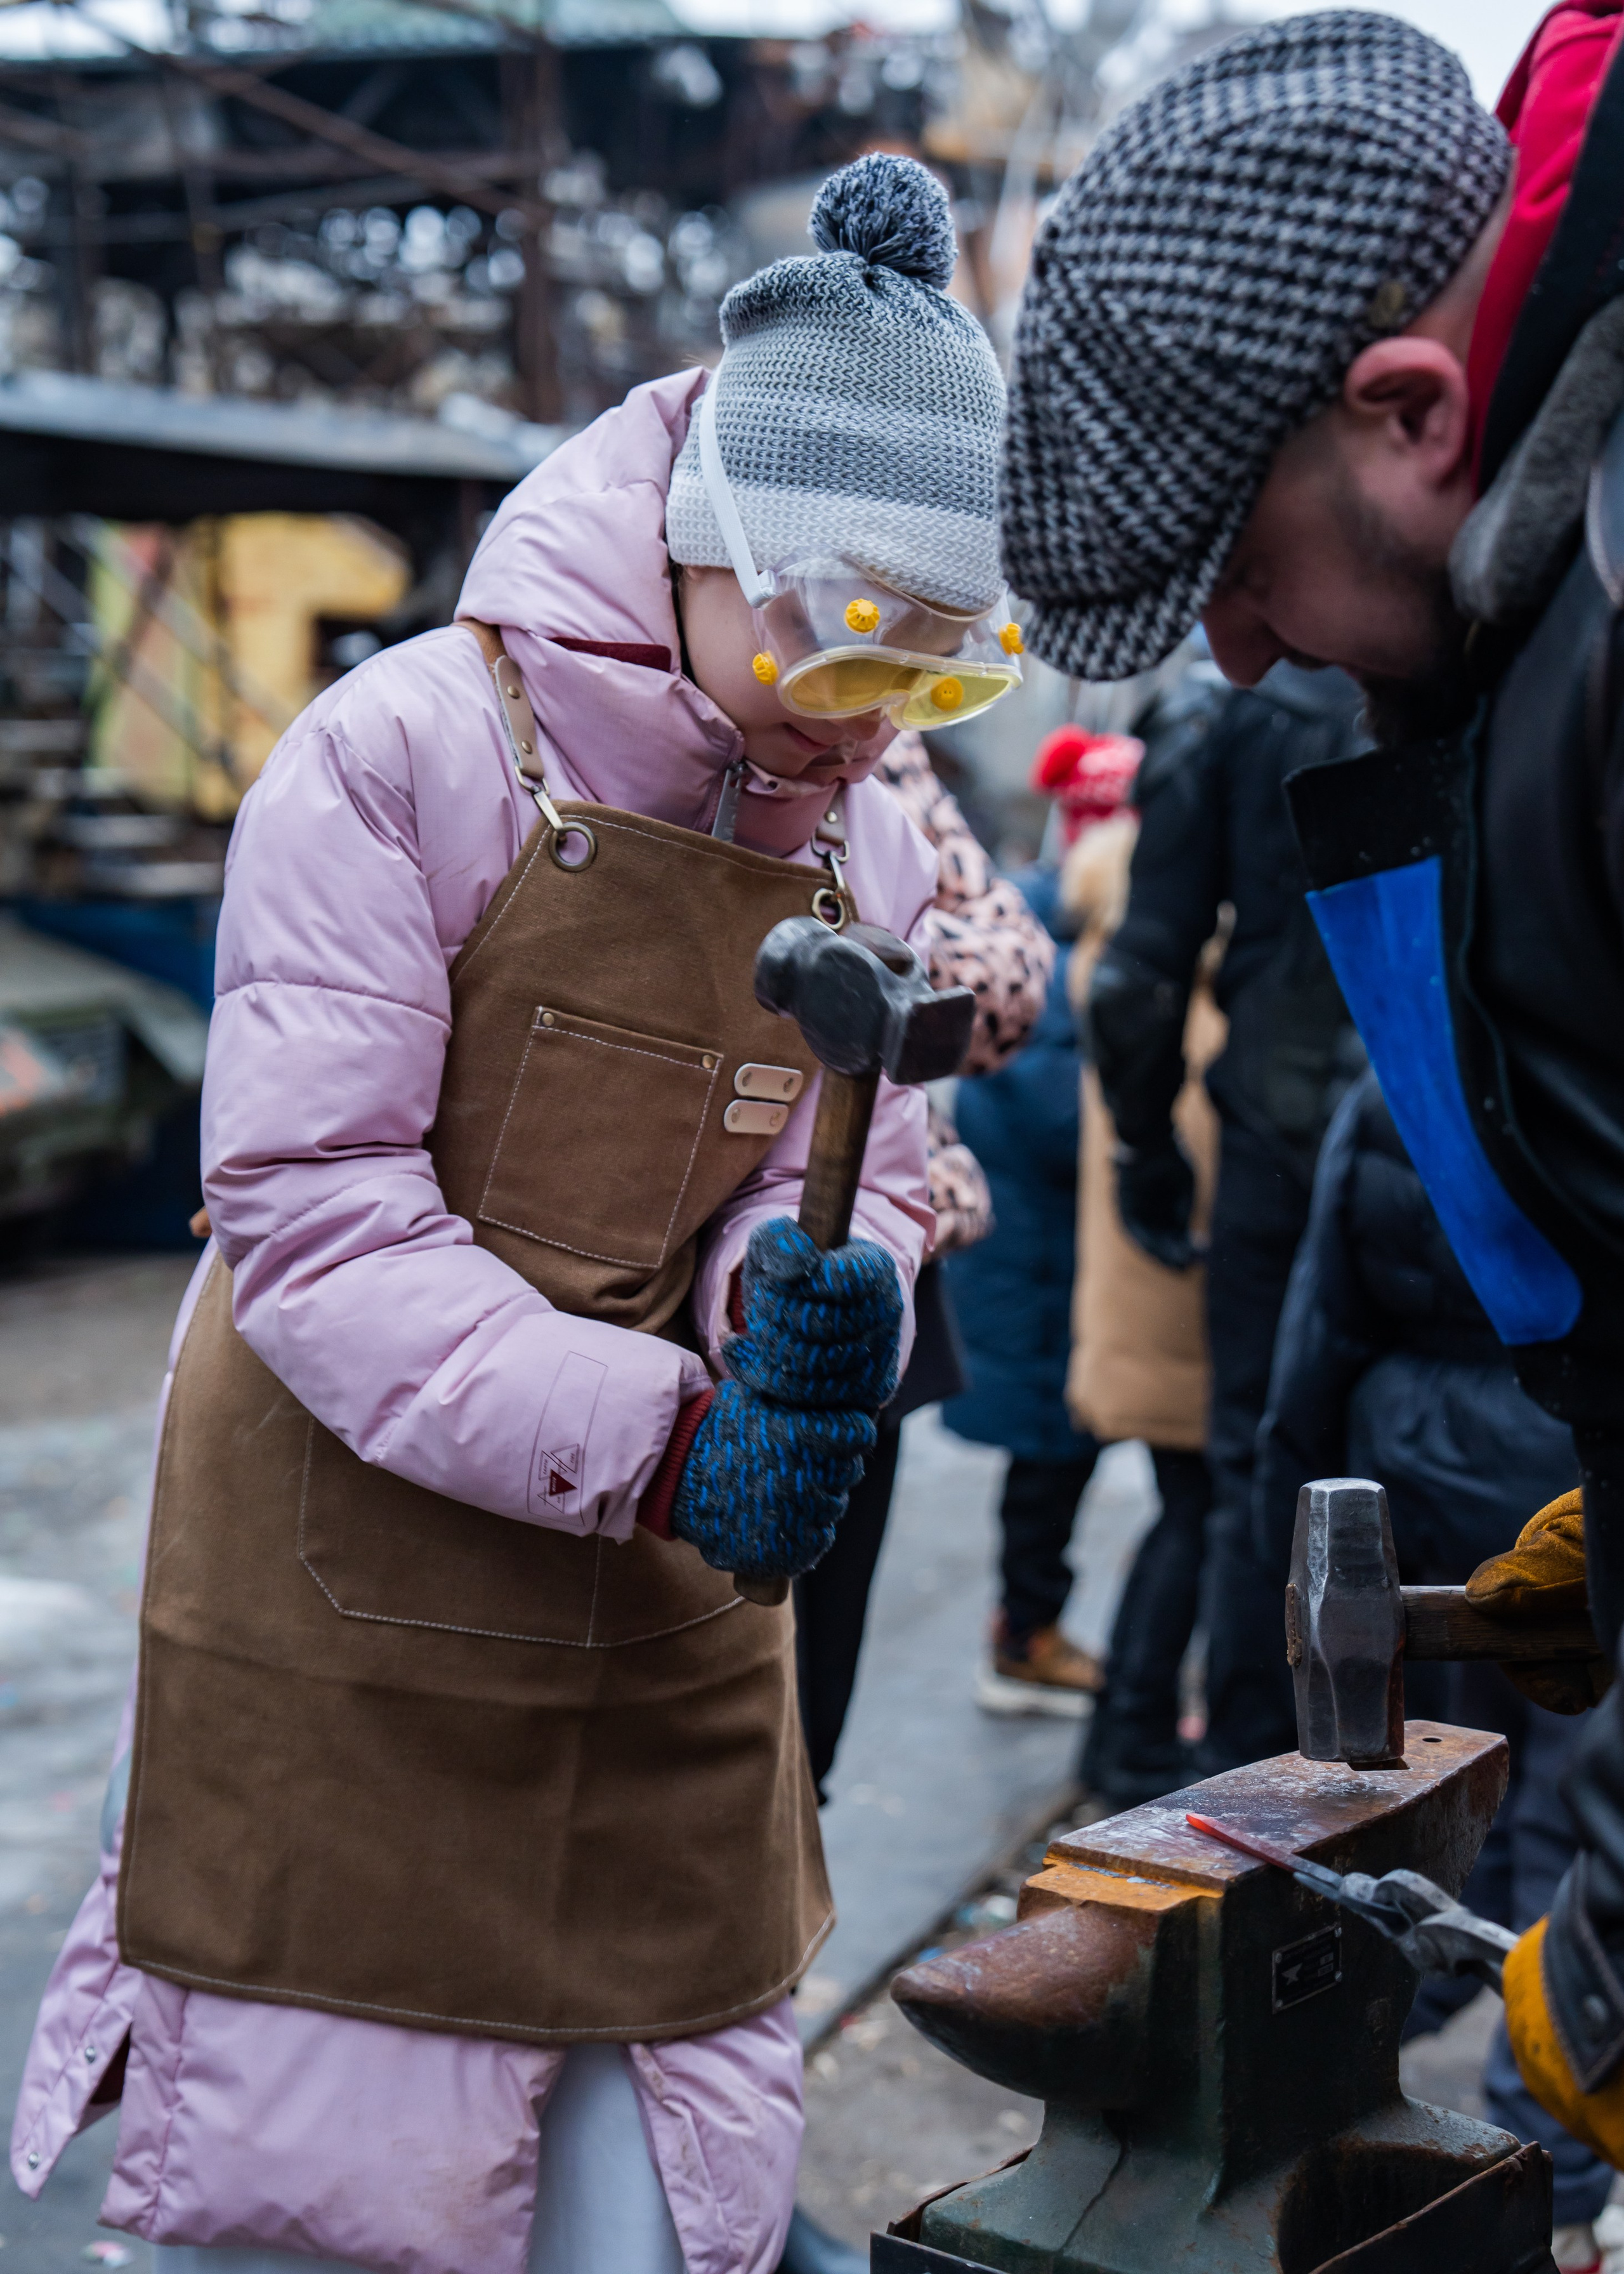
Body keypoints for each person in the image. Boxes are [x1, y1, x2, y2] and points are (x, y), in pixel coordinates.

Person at [10, 154, 1023, 2273]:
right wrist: (669, 1431)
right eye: (852, 646)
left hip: (661, 1605)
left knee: (638, 2200)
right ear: (712, 545)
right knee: (329, 2189)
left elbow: (836, 1163)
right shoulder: (398, 758)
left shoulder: (872, 852)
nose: (876, 730)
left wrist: (803, 1300)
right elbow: (309, 1210)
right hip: (346, 1566)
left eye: (941, 677)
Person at [997, 0, 1624, 2164]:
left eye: (1246, 569)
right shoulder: (1541, 614)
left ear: (1412, 406)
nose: (1242, 654)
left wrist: (1616, 1918)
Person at [1254, 1070, 1609, 2271]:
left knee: (1561, 1818)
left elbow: (1321, 1328)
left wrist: (1278, 1494)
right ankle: (1531, 2120)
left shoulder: (1393, 1089)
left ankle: (1548, 2119)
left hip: (1419, 1456)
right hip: (1536, 1477)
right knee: (1530, 1806)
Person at [1085, 656, 1365, 1771]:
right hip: (1433, 1128)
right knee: (1428, 1461)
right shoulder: (1483, 643)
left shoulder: (1225, 710)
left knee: (1262, 1470)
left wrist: (1144, 1147)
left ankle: (1257, 1793)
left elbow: (1137, 980)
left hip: (1275, 1137)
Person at [794, 736, 1053, 1794]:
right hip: (643, 1278)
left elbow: (1007, 978)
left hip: (870, 1241)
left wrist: (847, 951)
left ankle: (786, 1931)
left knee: (810, 1688)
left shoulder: (876, 743)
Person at [942, 730, 1137, 1716]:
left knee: (1057, 1457)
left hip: (1051, 1258)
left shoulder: (1054, 930)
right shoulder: (1057, 947)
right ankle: (1025, 1636)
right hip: (1042, 1263)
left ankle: (1028, 1626)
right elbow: (1060, 1115)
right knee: (1049, 1460)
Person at [1058, 742, 1219, 1803]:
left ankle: (1125, 1733)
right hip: (1184, 1290)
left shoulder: (1117, 940)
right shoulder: (1194, 974)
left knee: (1187, 1512)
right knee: (1197, 1514)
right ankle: (1132, 1743)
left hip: (1140, 1284)